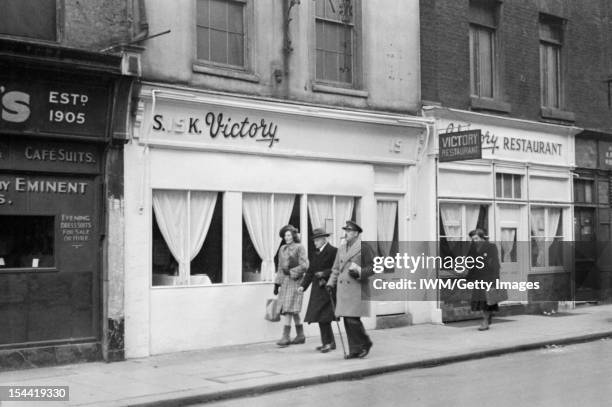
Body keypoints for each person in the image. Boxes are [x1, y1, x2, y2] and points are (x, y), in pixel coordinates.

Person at [326, 220, 375, 359]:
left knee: (353, 320)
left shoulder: (364, 247)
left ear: (355, 233)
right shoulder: (341, 248)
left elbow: (375, 267)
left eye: (348, 231)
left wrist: (360, 273)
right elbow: (335, 269)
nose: (346, 233)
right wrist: (330, 283)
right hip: (343, 290)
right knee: (348, 320)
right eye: (346, 231)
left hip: (357, 288)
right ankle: (354, 349)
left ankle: (365, 343)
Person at [298, 228, 338, 353]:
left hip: (328, 287)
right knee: (321, 317)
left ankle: (328, 343)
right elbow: (310, 272)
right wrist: (303, 286)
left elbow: (337, 269)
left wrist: (324, 273)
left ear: (323, 239)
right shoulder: (316, 253)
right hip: (317, 289)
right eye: (314, 240)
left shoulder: (333, 251)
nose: (314, 242)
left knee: (324, 317)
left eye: (316, 240)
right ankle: (328, 342)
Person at [274, 224, 309, 347]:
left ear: (294, 235)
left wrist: (292, 272)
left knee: (288, 309)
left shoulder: (300, 248)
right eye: (285, 235)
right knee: (293, 310)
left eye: (289, 235)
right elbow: (279, 267)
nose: (286, 237)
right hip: (285, 282)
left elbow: (305, 265)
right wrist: (277, 283)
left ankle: (286, 337)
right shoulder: (282, 249)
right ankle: (300, 335)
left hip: (296, 281)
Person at [467, 228, 506, 331]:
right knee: (481, 301)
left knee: (486, 300)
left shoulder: (491, 247)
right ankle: (488, 316)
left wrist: (495, 280)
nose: (474, 240)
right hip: (478, 277)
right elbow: (469, 261)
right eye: (472, 239)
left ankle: (485, 321)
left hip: (489, 277)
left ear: (482, 237)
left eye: (476, 238)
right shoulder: (473, 247)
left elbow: (496, 264)